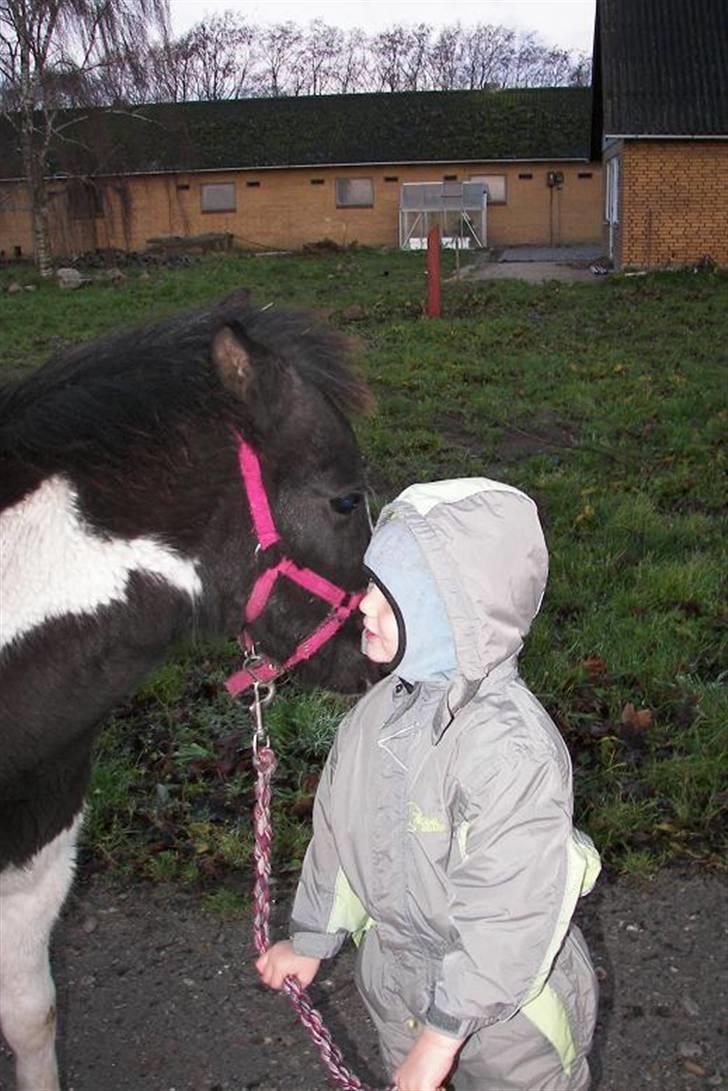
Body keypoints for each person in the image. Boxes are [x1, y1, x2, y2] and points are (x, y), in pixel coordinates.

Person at [256, 478, 601, 1091]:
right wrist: (311, 939)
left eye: (391, 597)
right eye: (371, 587)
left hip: (512, 1023)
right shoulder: (370, 721)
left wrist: (443, 1040)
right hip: (400, 995)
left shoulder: (509, 750)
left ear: (453, 617)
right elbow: (339, 842)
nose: (363, 605)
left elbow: (510, 910)